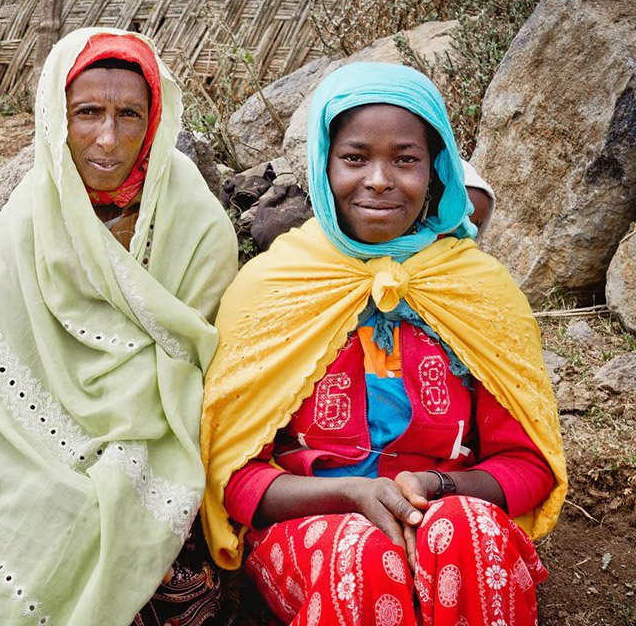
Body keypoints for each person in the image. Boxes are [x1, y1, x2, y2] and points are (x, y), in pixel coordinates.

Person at [200, 62, 566, 626]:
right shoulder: (274, 288)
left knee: (465, 533)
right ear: (324, 165)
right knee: (366, 559)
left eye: (405, 158)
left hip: (449, 515)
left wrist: (435, 487)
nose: (378, 179)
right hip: (313, 528)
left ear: (436, 168)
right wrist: (350, 495)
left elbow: (529, 463)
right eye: (354, 158)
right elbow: (236, 475)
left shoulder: (476, 289)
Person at [0, 28, 238, 625]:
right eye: (87, 113)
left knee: (171, 578)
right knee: (24, 544)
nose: (108, 138)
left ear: (154, 121)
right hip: (30, 448)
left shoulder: (194, 220)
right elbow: (3, 386)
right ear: (56, 117)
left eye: (129, 115)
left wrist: (121, 456)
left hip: (154, 439)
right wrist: (64, 461)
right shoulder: (24, 225)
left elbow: (188, 366)